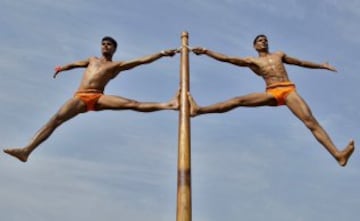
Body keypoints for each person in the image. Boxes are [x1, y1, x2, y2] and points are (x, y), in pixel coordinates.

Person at [4, 36, 179, 162]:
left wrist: (162, 53)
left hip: (98, 97)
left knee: (132, 104)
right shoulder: (92, 60)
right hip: (81, 97)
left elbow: (141, 61)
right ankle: (26, 151)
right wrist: (62, 68)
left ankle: (169, 104)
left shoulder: (115, 66)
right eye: (103, 44)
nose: (105, 46)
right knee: (55, 120)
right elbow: (75, 64)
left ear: (114, 49)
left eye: (109, 44)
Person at [189, 34, 354, 167]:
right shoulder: (252, 61)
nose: (264, 42)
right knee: (237, 100)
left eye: (265, 40)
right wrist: (205, 51)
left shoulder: (278, 55)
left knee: (310, 122)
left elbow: (300, 62)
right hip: (272, 92)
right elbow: (227, 58)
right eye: (260, 40)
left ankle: (338, 155)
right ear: (255, 46)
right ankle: (199, 110)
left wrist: (320, 65)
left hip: (288, 90)